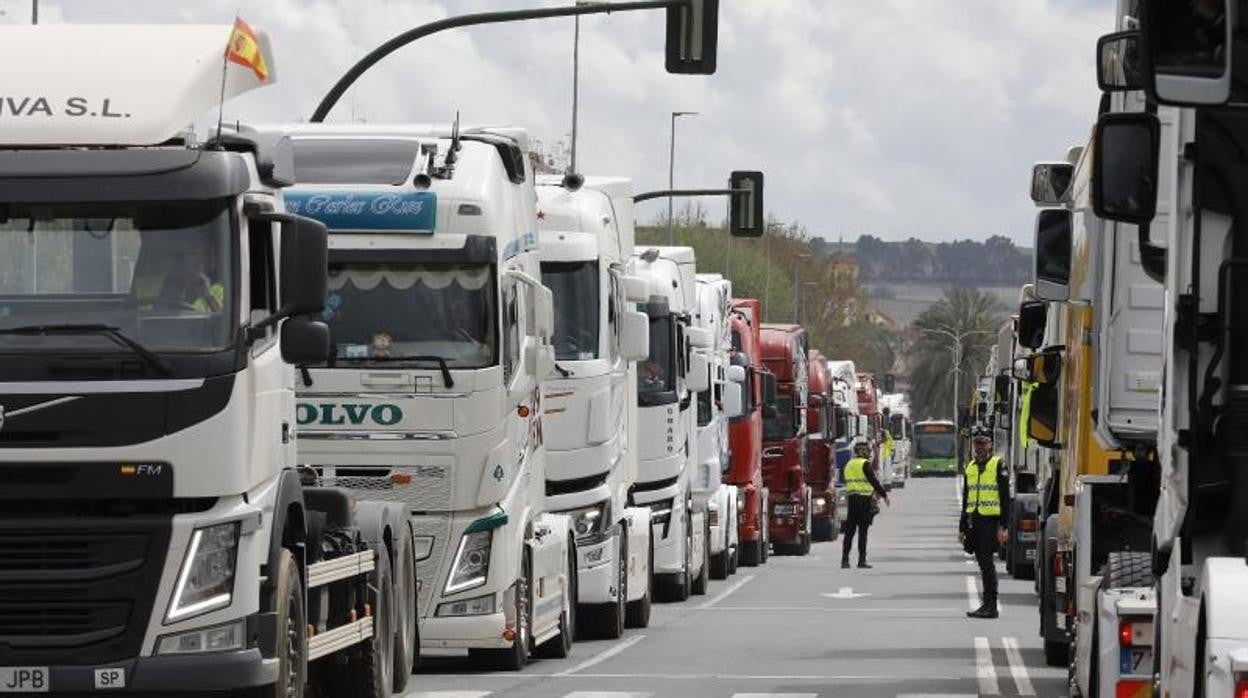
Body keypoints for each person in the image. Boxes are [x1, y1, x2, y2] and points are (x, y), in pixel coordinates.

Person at [961, 427, 1011, 619]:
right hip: (976, 521)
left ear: (990, 445)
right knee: (983, 563)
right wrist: (962, 527)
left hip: (991, 522)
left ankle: (991, 605)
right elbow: (967, 497)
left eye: (983, 443)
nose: (980, 447)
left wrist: (1004, 526)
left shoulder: (998, 465)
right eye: (977, 443)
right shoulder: (971, 467)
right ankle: (987, 604)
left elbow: (1005, 498)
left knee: (987, 564)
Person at [841, 437, 890, 569]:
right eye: (868, 450)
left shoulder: (849, 464)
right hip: (864, 501)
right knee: (863, 532)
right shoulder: (865, 464)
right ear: (862, 452)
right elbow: (873, 481)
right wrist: (884, 495)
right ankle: (861, 561)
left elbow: (846, 479)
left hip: (852, 500)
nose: (869, 453)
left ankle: (844, 560)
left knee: (849, 532)